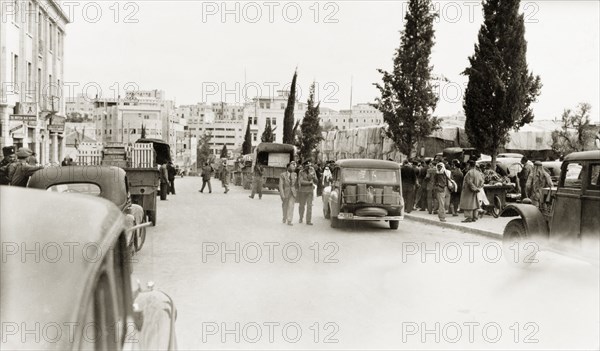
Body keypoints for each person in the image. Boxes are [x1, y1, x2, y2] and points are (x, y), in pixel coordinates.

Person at [297, 160, 317, 225]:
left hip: (310, 191)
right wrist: (309, 183)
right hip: (302, 191)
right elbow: (301, 181)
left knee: (309, 206)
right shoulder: (301, 172)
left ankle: (308, 220)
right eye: (306, 166)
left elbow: (317, 181)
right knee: (301, 206)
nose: (308, 167)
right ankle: (300, 217)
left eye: (309, 166)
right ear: (303, 166)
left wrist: (313, 177)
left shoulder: (312, 171)